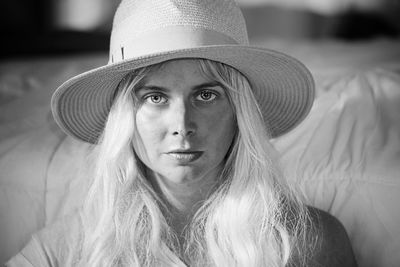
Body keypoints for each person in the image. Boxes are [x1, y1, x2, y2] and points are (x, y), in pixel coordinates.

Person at [6, 0, 358, 266]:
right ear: (125, 117)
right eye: (155, 97)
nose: (182, 125)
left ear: (240, 112)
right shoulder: (74, 246)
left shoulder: (308, 242)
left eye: (207, 95)